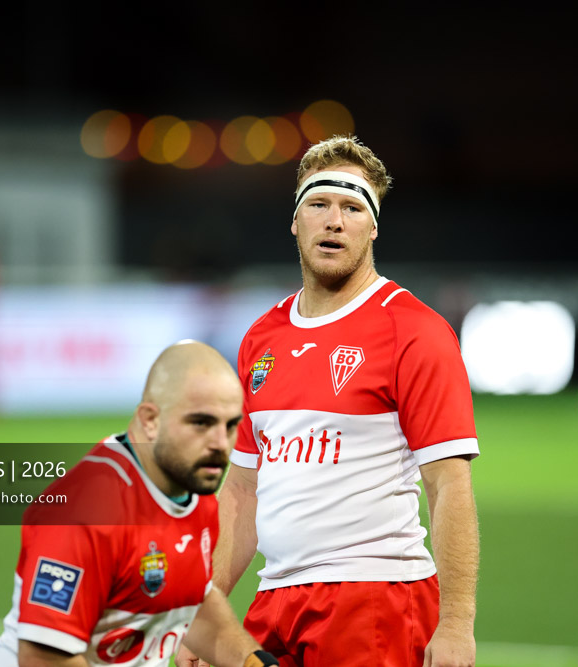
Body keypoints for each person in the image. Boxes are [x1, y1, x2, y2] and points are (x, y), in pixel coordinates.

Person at [178, 135, 480, 667]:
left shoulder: (414, 330)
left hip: (375, 599)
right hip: (275, 600)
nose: (334, 221)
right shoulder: (261, 338)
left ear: (373, 227)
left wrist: (456, 624)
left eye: (352, 207)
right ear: (296, 221)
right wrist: (211, 618)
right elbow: (243, 490)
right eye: (318, 204)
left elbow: (448, 481)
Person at [0, 341, 279, 667]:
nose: (220, 444)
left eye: (230, 425)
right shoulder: (87, 511)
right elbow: (43, 657)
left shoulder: (195, 495)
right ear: (150, 420)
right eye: (201, 423)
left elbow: (193, 598)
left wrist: (252, 661)